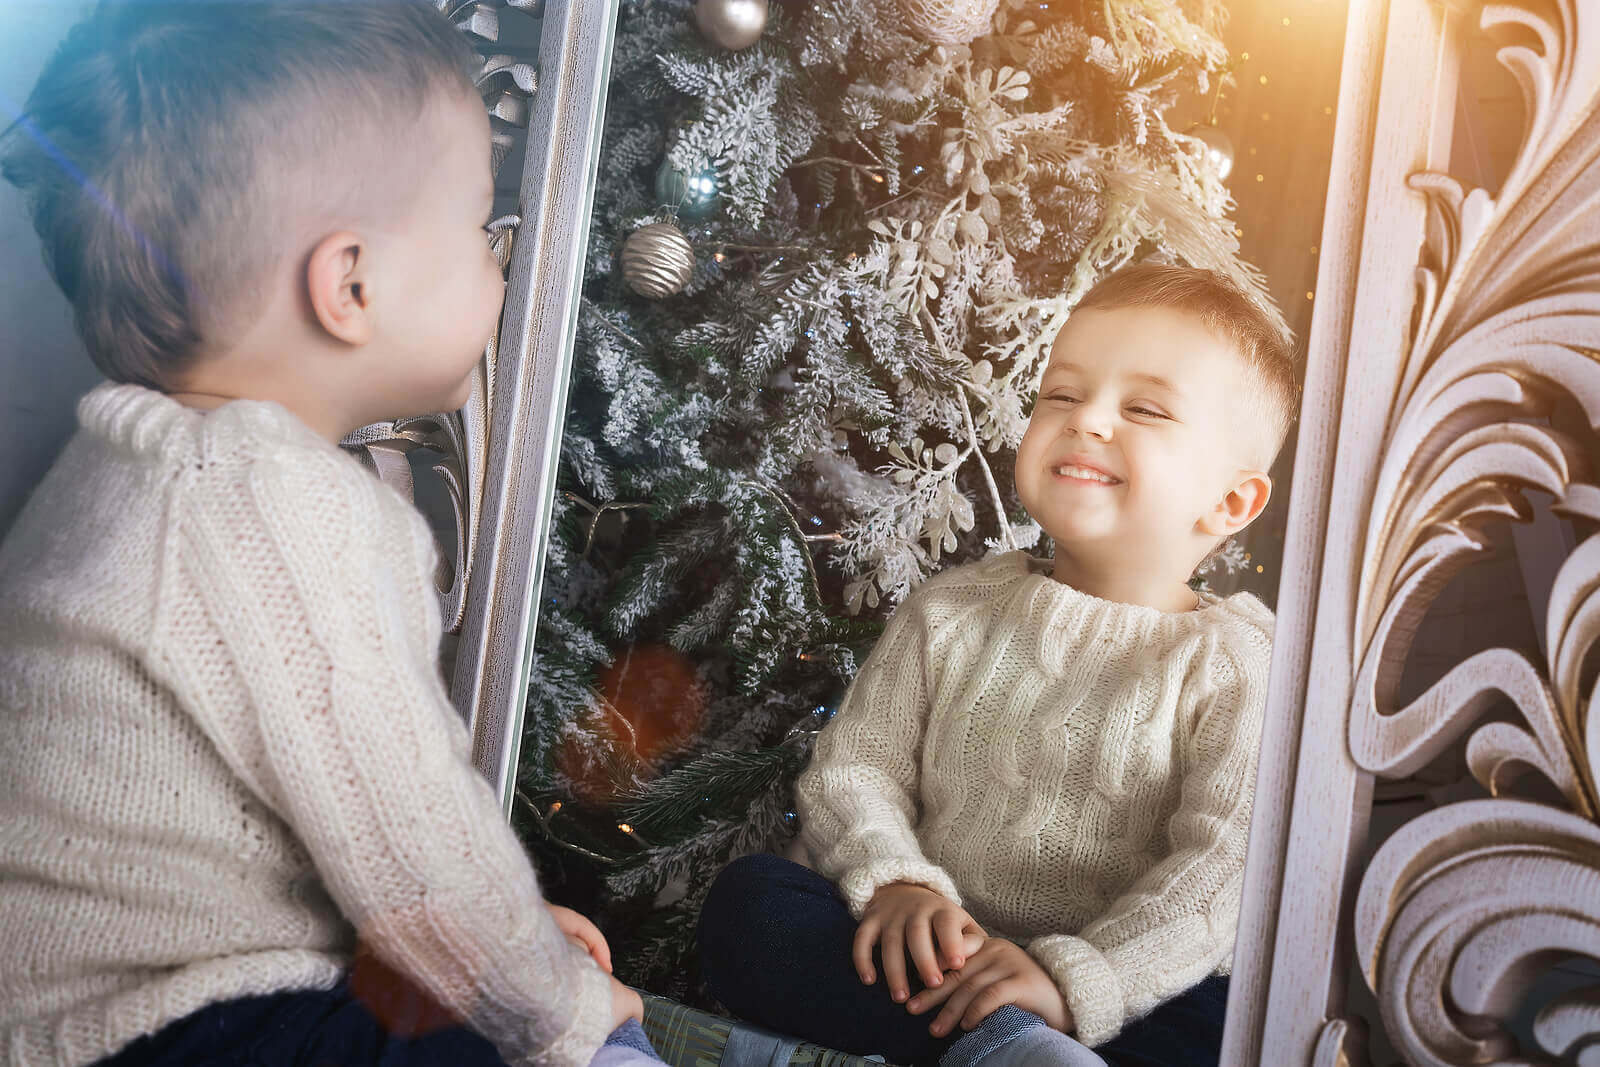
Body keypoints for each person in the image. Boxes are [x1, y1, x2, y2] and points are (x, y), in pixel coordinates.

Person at [0, 4, 662, 1066]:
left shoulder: (123, 472)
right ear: (350, 283)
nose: (499, 267)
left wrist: (511, 937)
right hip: (155, 1027)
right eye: (481, 230)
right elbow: (411, 849)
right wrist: (567, 1014)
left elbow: (317, 821)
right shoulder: (278, 506)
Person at [698, 263, 1299, 1067]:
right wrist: (897, 882)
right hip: (935, 955)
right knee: (753, 907)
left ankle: (1012, 1044)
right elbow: (854, 771)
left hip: (1103, 991)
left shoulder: (1239, 663)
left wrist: (1071, 979)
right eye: (1063, 394)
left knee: (1228, 1016)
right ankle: (1004, 1050)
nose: (1087, 421)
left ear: (1230, 503)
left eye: (1145, 408)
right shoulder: (951, 611)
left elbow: (1219, 873)